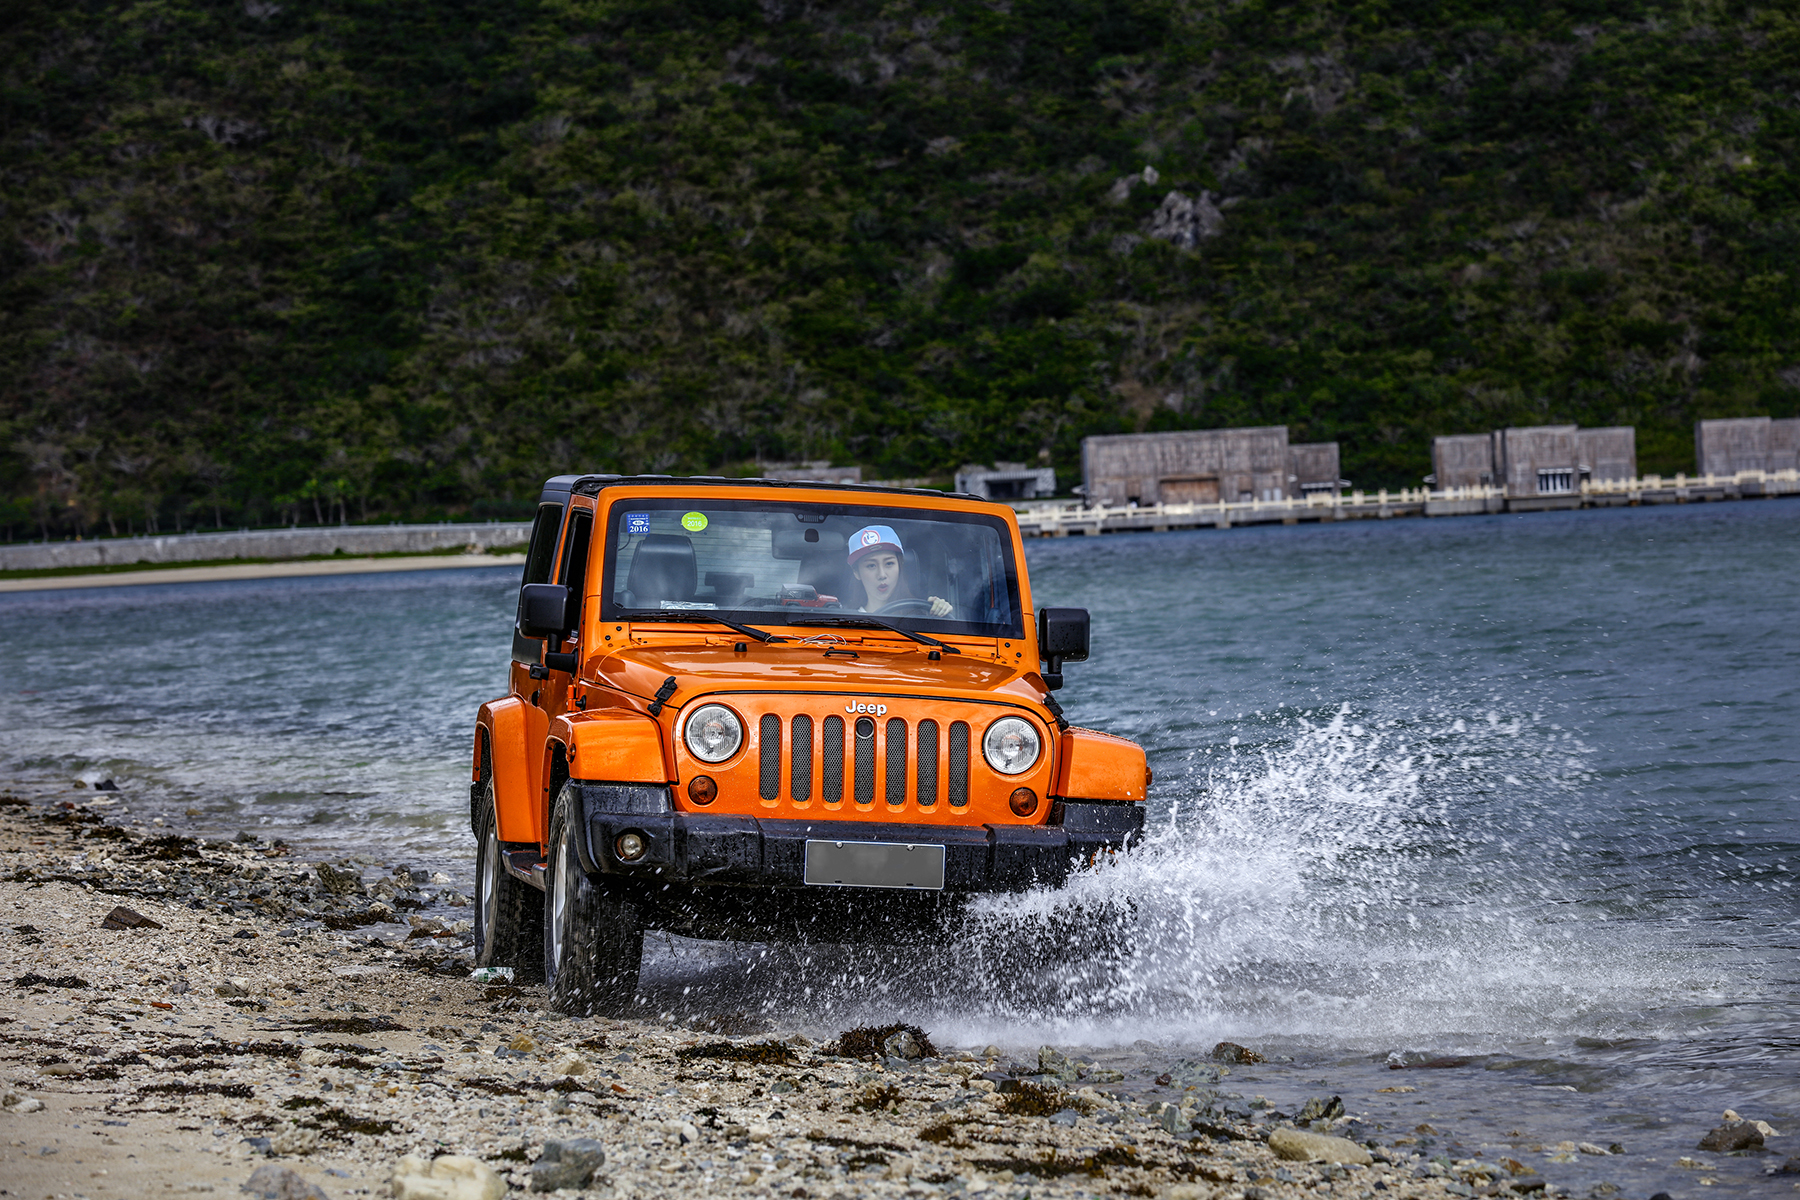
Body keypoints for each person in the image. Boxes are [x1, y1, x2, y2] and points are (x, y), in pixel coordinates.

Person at [846, 525, 952, 617]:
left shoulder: (920, 617)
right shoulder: (845, 625)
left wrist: (938, 611)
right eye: (871, 565)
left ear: (900, 565)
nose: (882, 575)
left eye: (889, 563)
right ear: (856, 572)